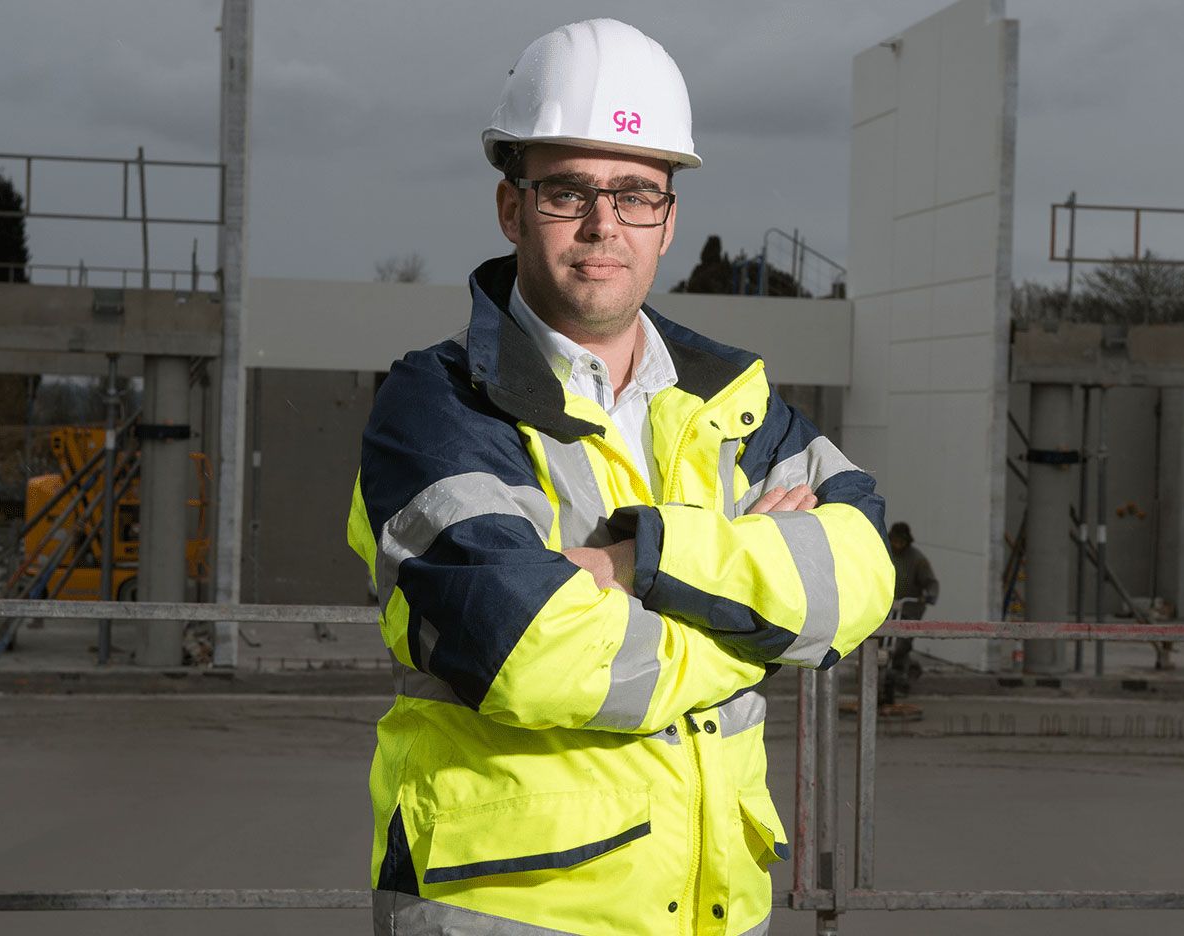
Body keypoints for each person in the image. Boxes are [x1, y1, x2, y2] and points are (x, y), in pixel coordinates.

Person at [346, 19, 894, 936]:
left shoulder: (733, 398)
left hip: (714, 908)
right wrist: (754, 624)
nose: (605, 226)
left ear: (670, 219)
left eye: (636, 195)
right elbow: (526, 648)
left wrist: (645, 562)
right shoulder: (437, 406)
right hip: (512, 907)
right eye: (569, 192)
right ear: (511, 207)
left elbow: (864, 570)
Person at [884, 521, 939, 700]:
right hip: (886, 608)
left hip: (908, 609)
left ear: (907, 541)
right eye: (894, 541)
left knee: (901, 644)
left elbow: (931, 583)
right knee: (879, 641)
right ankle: (880, 673)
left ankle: (901, 672)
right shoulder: (884, 553)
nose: (897, 545)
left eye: (901, 541)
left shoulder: (917, 560)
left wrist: (929, 595)